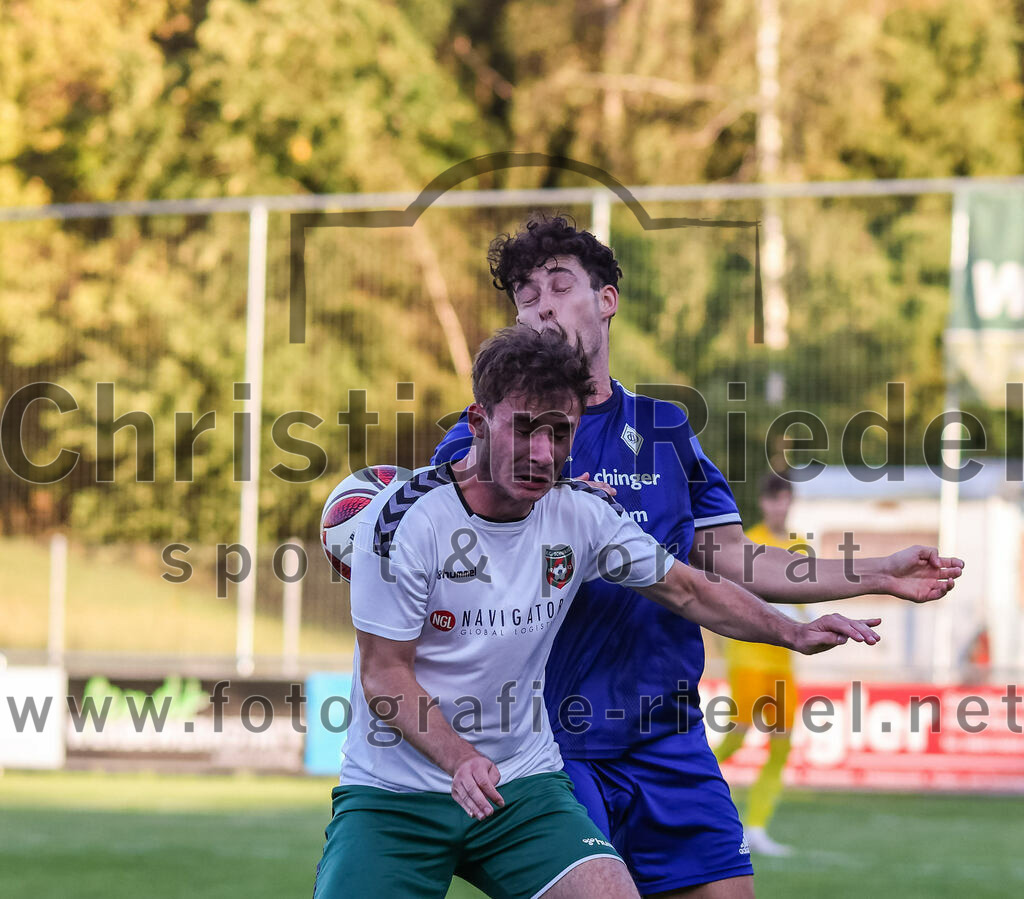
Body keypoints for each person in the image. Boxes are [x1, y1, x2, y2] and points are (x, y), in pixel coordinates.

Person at [431, 216, 963, 898]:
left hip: (666, 740)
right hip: (547, 748)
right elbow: (454, 566)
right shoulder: (481, 441)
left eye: (559, 285)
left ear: (607, 300)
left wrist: (871, 573)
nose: (540, 303)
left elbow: (728, 557)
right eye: (524, 294)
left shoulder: (664, 431)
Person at [313, 325, 888, 899]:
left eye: (559, 434)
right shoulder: (404, 522)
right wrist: (460, 758)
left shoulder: (582, 513)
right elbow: (383, 674)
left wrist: (792, 630)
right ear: (478, 422)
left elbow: (688, 589)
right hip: (395, 794)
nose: (542, 453)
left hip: (520, 786)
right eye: (525, 429)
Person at [713, 470, 805, 857]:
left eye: (784, 498)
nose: (779, 506)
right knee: (737, 736)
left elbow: (803, 601)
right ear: (764, 503)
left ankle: (757, 827)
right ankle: (677, 785)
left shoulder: (800, 546)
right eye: (773, 499)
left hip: (783, 664)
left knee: (782, 746)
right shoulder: (749, 542)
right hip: (749, 658)